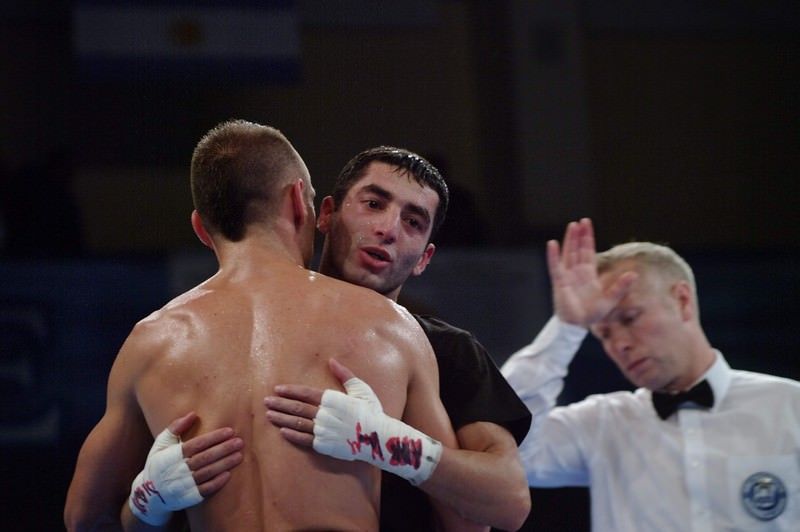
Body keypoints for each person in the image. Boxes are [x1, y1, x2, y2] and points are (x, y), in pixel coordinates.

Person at [63, 120, 469, 531]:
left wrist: (147, 500)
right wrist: (386, 444)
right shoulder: (389, 325)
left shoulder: (150, 343)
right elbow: (466, 517)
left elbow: (83, 519)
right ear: (298, 203)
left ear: (201, 228)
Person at [124, 146, 532, 531]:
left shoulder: (448, 351)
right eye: (374, 204)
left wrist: (385, 443)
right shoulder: (210, 338)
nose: (388, 229)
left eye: (413, 222)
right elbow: (105, 515)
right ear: (325, 214)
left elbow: (503, 504)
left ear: (424, 258)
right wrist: (148, 498)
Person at [501, 217, 800, 531]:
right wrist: (567, 328)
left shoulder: (790, 406)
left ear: (682, 301)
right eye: (604, 334)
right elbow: (505, 444)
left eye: (630, 318)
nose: (619, 344)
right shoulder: (600, 424)